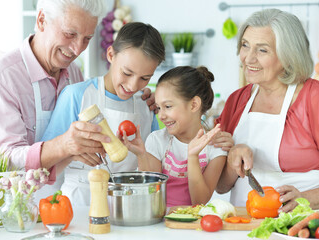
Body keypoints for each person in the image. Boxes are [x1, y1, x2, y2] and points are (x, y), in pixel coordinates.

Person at [0, 0, 156, 201]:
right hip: (8, 208)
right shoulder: (1, 77)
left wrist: (149, 98)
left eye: (87, 38)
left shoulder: (73, 72)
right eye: (70, 34)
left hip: (54, 206)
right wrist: (64, 146)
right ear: (42, 20)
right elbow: (3, 163)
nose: (78, 49)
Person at [41, 22, 165, 207]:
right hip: (80, 203)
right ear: (110, 55)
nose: (132, 86)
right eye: (127, 72)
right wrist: (71, 153)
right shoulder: (77, 96)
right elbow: (45, 165)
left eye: (145, 78)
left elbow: (156, 169)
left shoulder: (147, 105)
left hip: (131, 207)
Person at [215, 9, 319, 212]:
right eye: (245, 45)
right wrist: (232, 159)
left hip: (301, 225)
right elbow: (220, 186)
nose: (249, 58)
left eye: (262, 50)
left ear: (288, 55)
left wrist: (306, 199)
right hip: (243, 223)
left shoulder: (313, 98)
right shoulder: (237, 100)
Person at [122, 66, 227, 207]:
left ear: (194, 104)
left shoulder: (215, 148)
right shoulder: (157, 140)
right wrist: (142, 156)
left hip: (192, 225)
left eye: (168, 106)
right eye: (159, 107)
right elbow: (151, 192)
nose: (161, 115)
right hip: (158, 221)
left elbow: (200, 201)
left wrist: (193, 156)